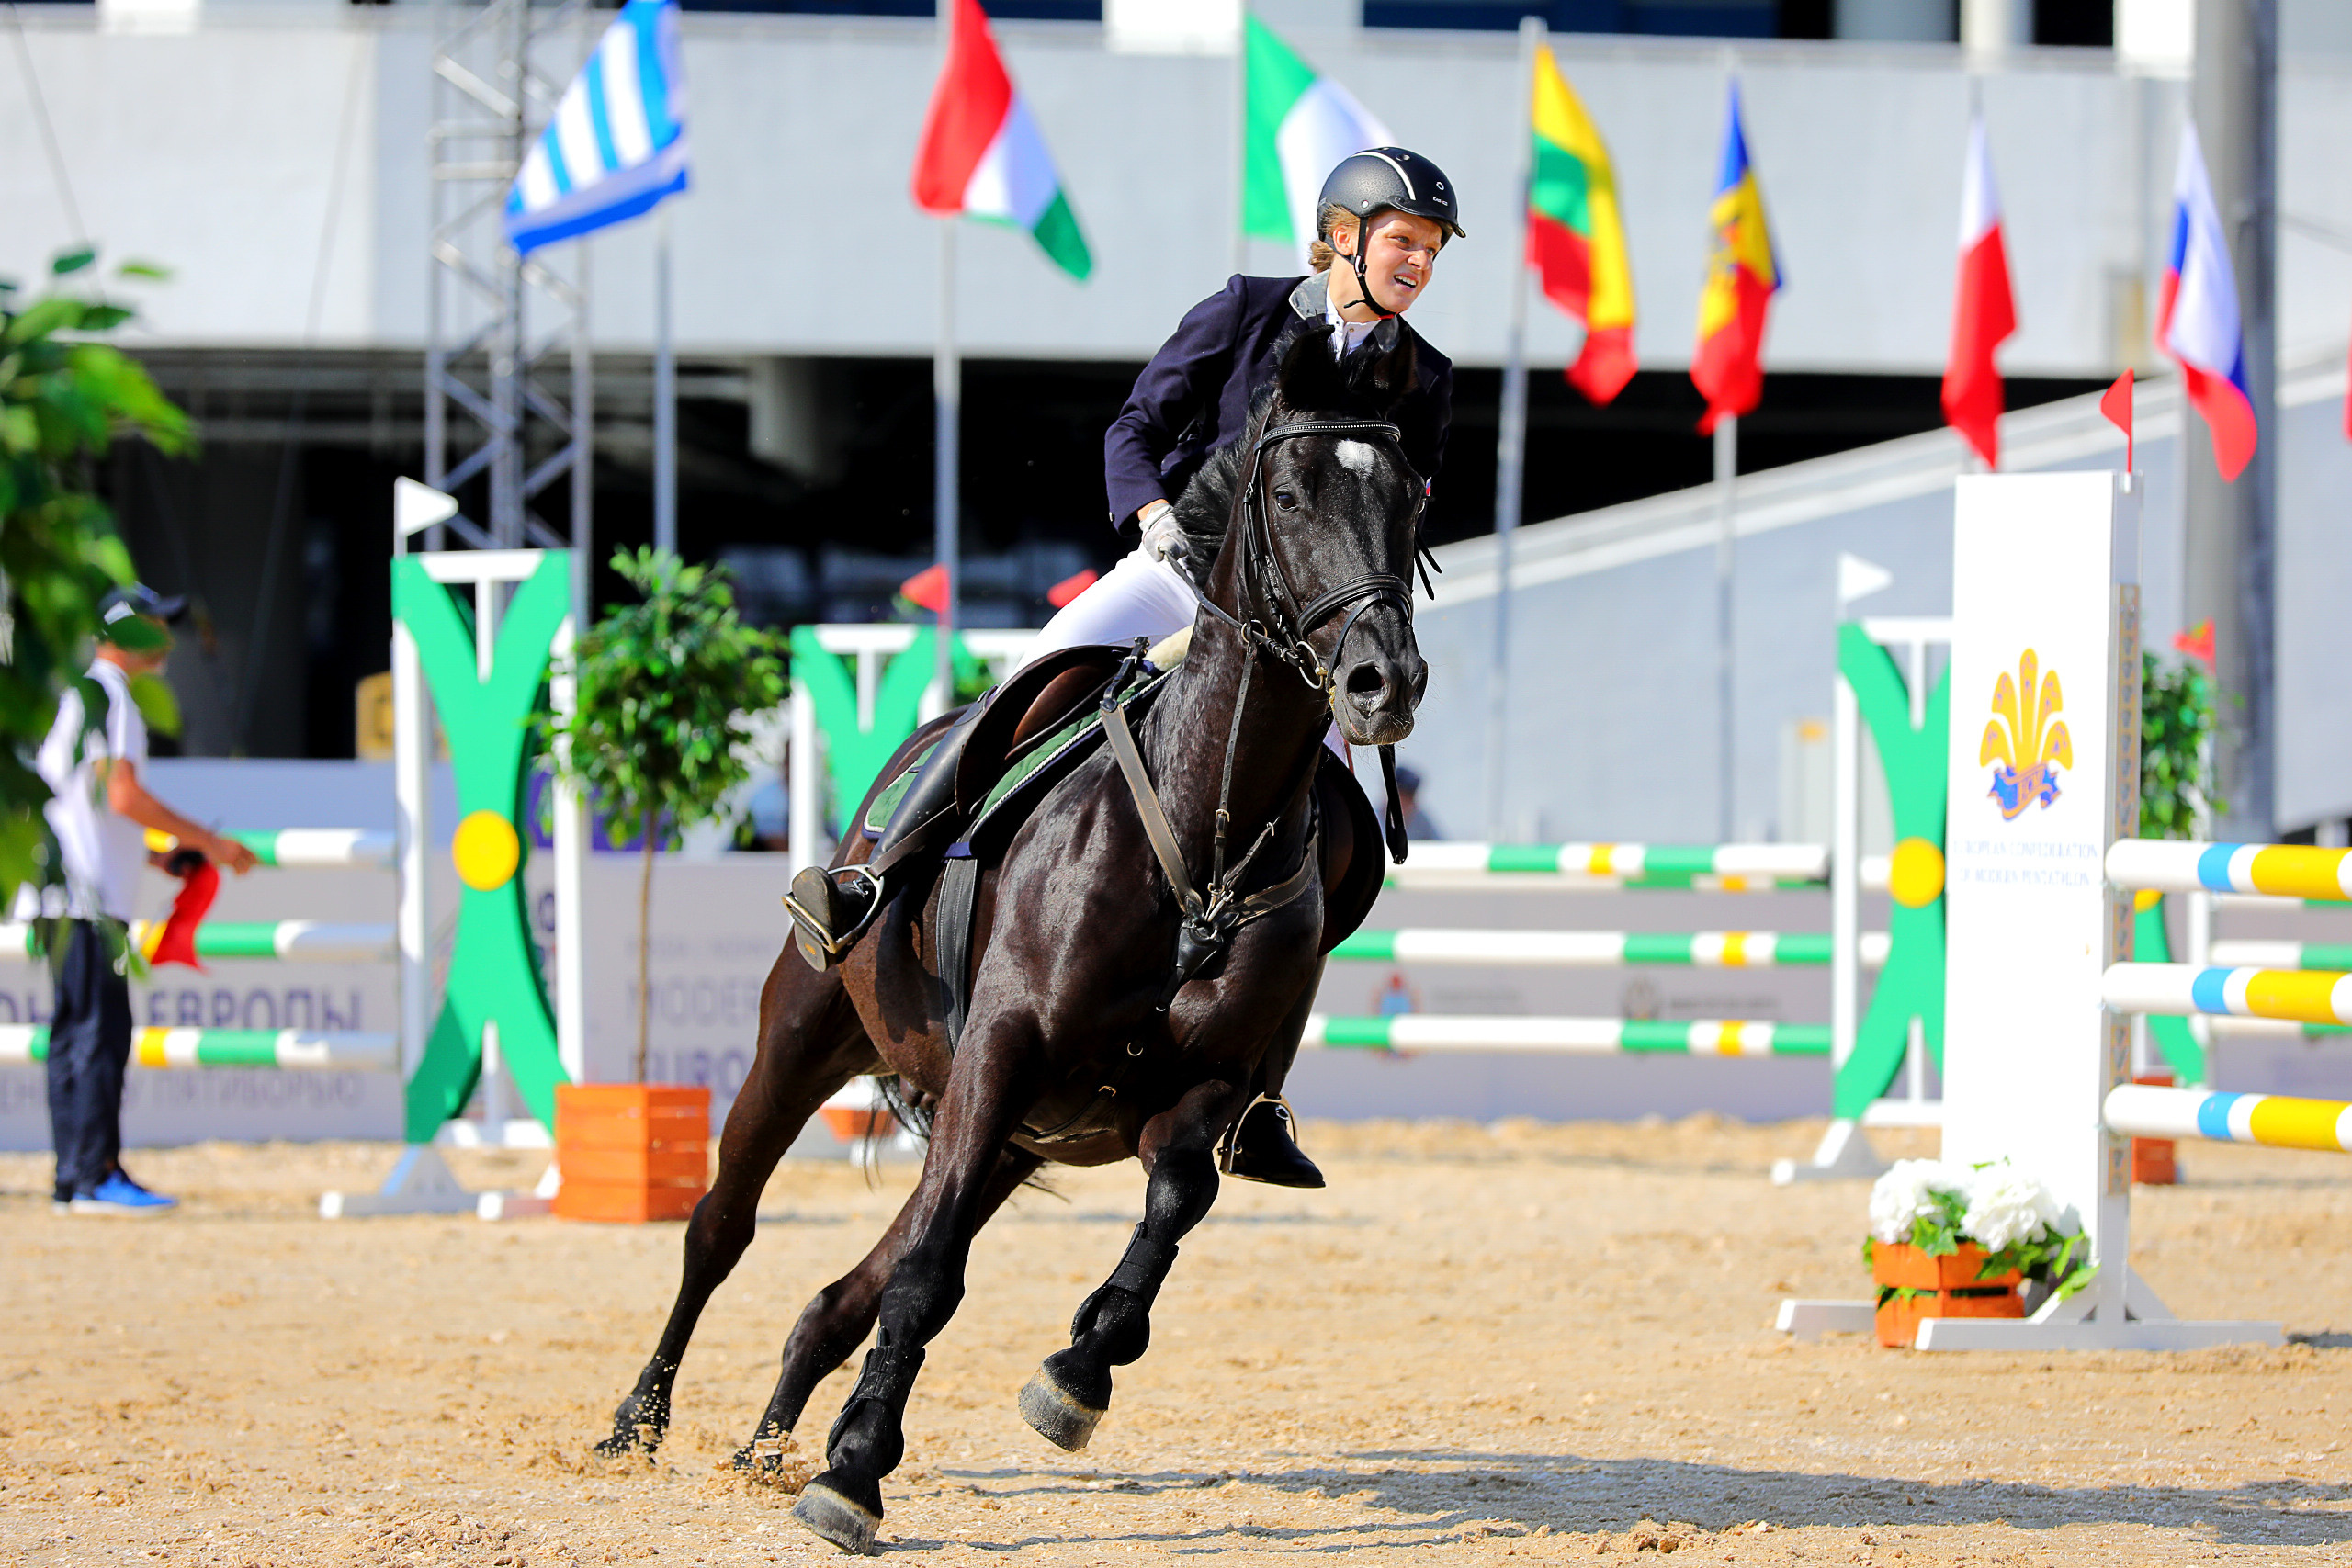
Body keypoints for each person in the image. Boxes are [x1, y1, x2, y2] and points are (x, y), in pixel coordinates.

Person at [786, 148, 1464, 1184]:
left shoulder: (1426, 377)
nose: (1418, 263)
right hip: (1179, 569)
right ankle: (872, 879)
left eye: (1431, 251)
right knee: (1031, 680)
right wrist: (1152, 516)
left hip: (1291, 625)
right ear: (1342, 236)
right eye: (1403, 241)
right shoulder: (1247, 311)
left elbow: (1397, 506)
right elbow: (1140, 423)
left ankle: (1258, 1093)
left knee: (1340, 839)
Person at [28, 585, 257, 1214]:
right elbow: (123, 795)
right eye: (155, 625)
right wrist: (210, 842)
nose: (165, 637)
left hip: (59, 892)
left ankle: (74, 1175)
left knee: (73, 1033)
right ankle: (95, 1174)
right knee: (100, 1034)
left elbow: (85, 799)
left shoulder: (76, 694)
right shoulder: (114, 698)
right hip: (91, 899)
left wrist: (156, 856)